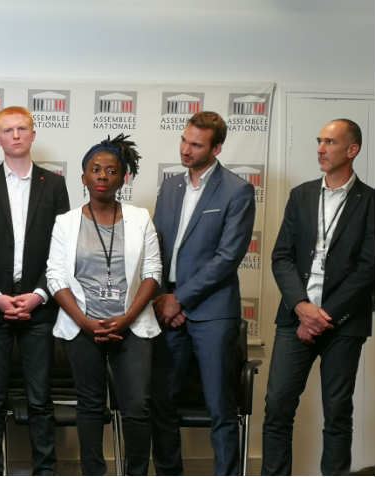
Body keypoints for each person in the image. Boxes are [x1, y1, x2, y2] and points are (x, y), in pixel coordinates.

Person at [262, 119, 374, 475]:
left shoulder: (370, 202)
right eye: (319, 140)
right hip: (295, 317)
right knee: (277, 407)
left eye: (330, 142)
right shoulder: (302, 195)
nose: (320, 149)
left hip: (344, 323)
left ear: (352, 150)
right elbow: (281, 256)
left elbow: (369, 268)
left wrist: (323, 316)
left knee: (337, 412)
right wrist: (302, 307)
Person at [0, 106, 69, 475]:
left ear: (33, 134)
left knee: (40, 399)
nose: (16, 135)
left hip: (39, 307)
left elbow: (62, 248)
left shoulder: (54, 185)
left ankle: (45, 471)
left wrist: (40, 294)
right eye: (8, 130)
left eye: (22, 128)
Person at [47, 135, 161, 475]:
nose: (102, 176)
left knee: (138, 406)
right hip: (83, 326)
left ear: (122, 178)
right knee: (90, 406)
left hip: (133, 325)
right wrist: (84, 321)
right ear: (83, 177)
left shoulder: (140, 218)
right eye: (94, 170)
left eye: (111, 171)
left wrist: (126, 319)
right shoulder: (65, 222)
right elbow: (56, 278)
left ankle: (136, 471)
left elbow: (153, 273)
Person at [150, 111, 255, 475]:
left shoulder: (237, 190)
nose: (186, 149)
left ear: (217, 148)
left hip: (211, 311)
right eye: (184, 140)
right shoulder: (171, 186)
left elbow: (228, 257)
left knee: (220, 406)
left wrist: (183, 298)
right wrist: (163, 296)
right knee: (162, 401)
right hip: (167, 306)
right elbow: (157, 248)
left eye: (196, 144)